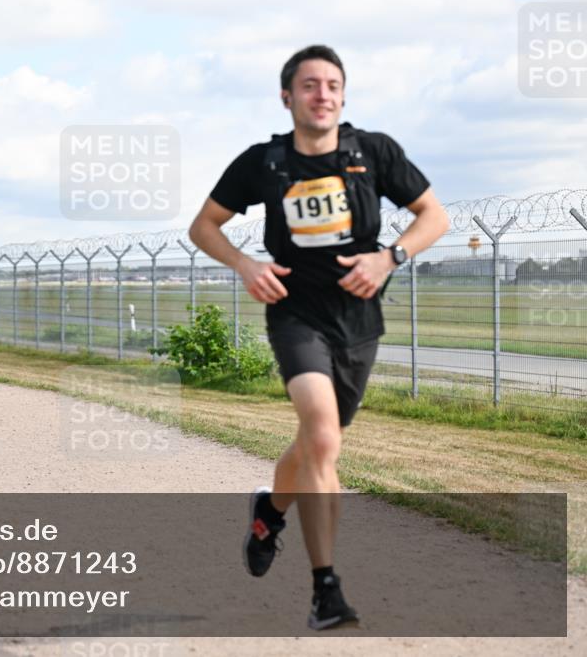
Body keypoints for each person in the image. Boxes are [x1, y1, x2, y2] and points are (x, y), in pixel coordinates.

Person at [188, 45, 449, 630]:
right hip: (295, 315)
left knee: (314, 445)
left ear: (344, 95)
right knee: (324, 438)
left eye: (332, 84)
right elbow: (204, 225)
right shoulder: (264, 162)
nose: (322, 94)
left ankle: (267, 514)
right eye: (309, 85)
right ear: (288, 97)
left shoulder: (374, 152)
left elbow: (434, 215)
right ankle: (325, 590)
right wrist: (246, 265)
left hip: (358, 321)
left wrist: (390, 258)